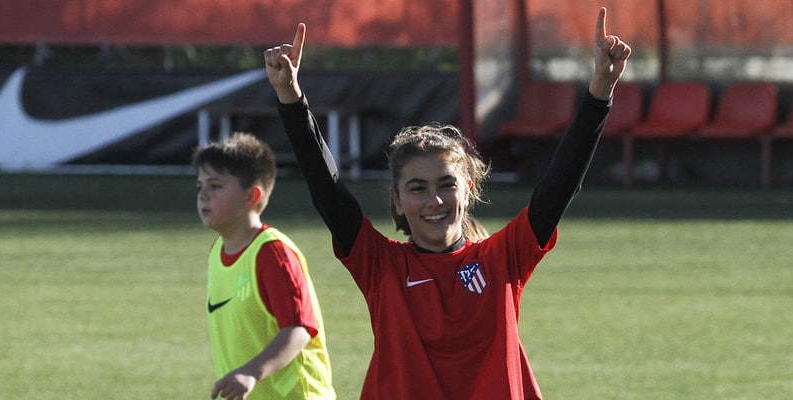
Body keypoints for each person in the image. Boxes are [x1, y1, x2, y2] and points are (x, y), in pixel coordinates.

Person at [264, 7, 630, 399]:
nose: (434, 199)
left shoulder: (502, 258)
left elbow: (560, 186)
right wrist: (291, 97)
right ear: (398, 201)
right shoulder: (381, 266)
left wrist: (599, 94)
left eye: (446, 184)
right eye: (417, 188)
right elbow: (328, 191)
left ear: (468, 189)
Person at [194, 132, 336, 400]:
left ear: (252, 196)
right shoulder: (217, 251)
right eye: (199, 185)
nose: (203, 195)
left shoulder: (272, 253)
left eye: (215, 185)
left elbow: (299, 329)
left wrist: (251, 372)